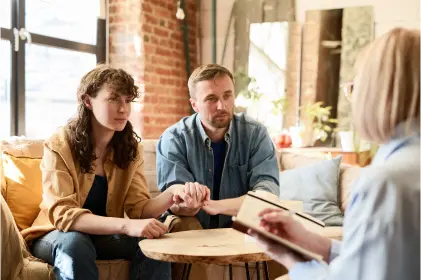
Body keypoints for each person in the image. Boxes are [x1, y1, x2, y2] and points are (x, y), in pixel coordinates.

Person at [248, 27, 421, 279]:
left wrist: (290, 259)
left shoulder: (383, 184)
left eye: (353, 87)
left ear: (377, 94)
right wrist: (315, 243)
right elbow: (384, 258)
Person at [23, 65, 209, 280]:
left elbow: (139, 208)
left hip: (102, 236)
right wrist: (127, 225)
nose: (123, 109)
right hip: (54, 234)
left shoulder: (129, 149)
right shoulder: (59, 144)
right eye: (113, 99)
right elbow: (63, 215)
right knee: (76, 243)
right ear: (88, 101)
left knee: (153, 243)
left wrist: (174, 192)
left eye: (127, 100)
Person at [157, 63, 280, 229]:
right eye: (211, 99)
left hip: (239, 220)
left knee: (267, 222)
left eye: (227, 96)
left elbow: (268, 196)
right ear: (194, 105)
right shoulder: (174, 138)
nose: (221, 106)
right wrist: (188, 205)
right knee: (184, 225)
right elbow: (172, 203)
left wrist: (216, 206)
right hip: (190, 220)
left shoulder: (255, 134)